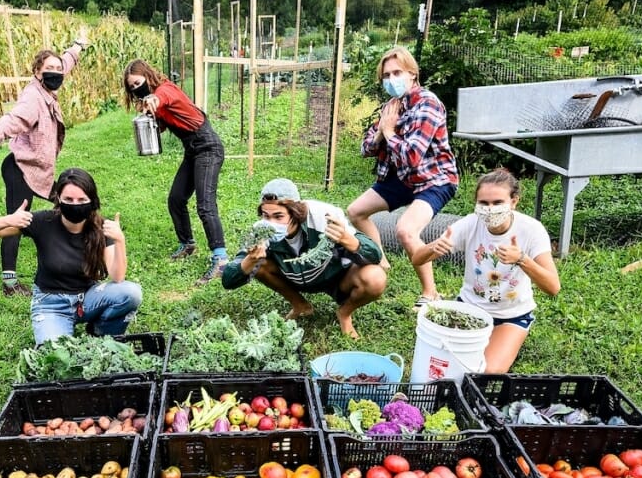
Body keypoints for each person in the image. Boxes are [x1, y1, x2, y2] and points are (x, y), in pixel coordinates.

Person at [0, 29, 89, 297]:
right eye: (49, 68)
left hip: (38, 170)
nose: (56, 72)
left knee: (64, 202)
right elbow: (16, 118)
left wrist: (78, 45)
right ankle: (9, 283)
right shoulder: (33, 97)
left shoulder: (51, 83)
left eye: (58, 68)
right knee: (16, 221)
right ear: (37, 72)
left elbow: (66, 61)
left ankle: (71, 249)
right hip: (20, 169)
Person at [411, 168, 561, 372]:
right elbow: (417, 258)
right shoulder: (470, 224)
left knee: (486, 372)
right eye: (484, 203)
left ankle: (509, 339)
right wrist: (432, 247)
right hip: (469, 309)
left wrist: (522, 259)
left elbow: (553, 287)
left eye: (498, 203)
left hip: (512, 315)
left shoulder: (531, 230)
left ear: (514, 201)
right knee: (447, 367)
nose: (490, 209)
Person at [346, 45, 459, 310]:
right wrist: (381, 132)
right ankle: (380, 259)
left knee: (406, 230)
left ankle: (430, 293)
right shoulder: (392, 106)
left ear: (412, 74)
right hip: (402, 178)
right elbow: (366, 148)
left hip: (434, 179)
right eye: (386, 75)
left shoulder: (428, 104)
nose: (391, 79)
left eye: (397, 72)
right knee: (356, 211)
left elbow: (412, 156)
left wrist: (388, 131)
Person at [0, 167, 142, 346]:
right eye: (68, 199)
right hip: (51, 305)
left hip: (87, 299)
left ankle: (100, 334)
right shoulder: (43, 221)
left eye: (81, 200)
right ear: (58, 200)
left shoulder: (100, 227)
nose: (75, 204)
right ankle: (57, 329)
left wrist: (119, 241)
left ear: (91, 201)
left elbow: (118, 277)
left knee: (131, 293)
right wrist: (8, 220)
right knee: (55, 356)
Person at [222, 178, 387, 339]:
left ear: (295, 212)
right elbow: (228, 280)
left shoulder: (323, 216)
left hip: (335, 276)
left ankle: (344, 313)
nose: (271, 223)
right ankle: (300, 305)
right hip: (293, 277)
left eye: (279, 217)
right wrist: (249, 260)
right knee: (259, 264)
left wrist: (347, 239)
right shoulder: (260, 232)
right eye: (266, 216)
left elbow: (374, 255)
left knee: (375, 278)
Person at [122, 59, 227, 285]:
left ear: (148, 77)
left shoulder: (165, 89)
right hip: (192, 150)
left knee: (205, 205)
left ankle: (220, 260)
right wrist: (150, 115)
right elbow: (164, 123)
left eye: (138, 83)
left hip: (207, 147)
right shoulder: (155, 102)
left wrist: (152, 100)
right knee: (176, 199)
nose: (135, 89)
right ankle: (187, 243)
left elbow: (163, 97)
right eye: (131, 87)